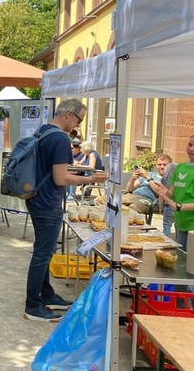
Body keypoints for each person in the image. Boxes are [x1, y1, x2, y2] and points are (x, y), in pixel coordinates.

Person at [24, 99, 108, 323]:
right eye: (79, 120)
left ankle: (46, 294)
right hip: (48, 201)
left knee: (45, 250)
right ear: (69, 115)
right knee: (43, 253)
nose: (77, 126)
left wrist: (82, 172)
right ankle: (33, 305)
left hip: (36, 197)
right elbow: (61, 177)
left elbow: (54, 168)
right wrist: (87, 179)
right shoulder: (61, 138)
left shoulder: (44, 131)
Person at [94, 153, 170, 214]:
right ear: (156, 165)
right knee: (100, 199)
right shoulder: (150, 174)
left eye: (164, 164)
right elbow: (129, 189)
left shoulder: (169, 179)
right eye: (159, 164)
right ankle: (110, 221)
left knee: (131, 210)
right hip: (131, 195)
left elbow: (160, 192)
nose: (162, 167)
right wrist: (133, 178)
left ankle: (120, 223)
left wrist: (147, 177)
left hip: (146, 200)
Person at [164, 135, 194, 250]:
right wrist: (161, 192)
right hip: (180, 222)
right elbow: (171, 192)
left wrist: (180, 206)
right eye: (190, 144)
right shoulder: (180, 167)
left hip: (192, 225)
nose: (192, 149)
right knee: (181, 257)